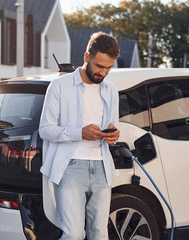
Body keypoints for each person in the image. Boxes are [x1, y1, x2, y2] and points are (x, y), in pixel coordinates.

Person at [39, 32, 120, 240]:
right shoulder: (59, 86)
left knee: (100, 234)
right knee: (73, 235)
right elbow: (45, 129)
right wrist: (80, 133)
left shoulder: (111, 91)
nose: (103, 72)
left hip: (102, 166)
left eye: (108, 67)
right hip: (70, 167)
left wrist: (113, 135)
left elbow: (113, 125)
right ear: (86, 57)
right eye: (99, 66)